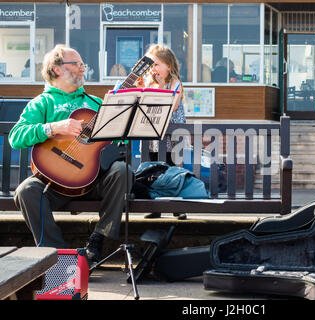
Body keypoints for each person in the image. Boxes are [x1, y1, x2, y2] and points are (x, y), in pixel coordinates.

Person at [9, 44, 131, 265]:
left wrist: (121, 119)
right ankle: (59, 256)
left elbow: (120, 140)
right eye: (77, 64)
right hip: (55, 184)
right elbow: (16, 136)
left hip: (94, 180)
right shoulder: (42, 103)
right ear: (57, 69)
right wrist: (54, 128)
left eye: (83, 64)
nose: (83, 69)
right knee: (25, 190)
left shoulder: (95, 103)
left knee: (122, 171)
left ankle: (98, 240)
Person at [136, 44, 186, 166]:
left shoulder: (175, 83)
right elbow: (144, 108)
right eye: (151, 65)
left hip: (171, 138)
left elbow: (172, 106)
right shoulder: (150, 84)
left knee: (169, 168)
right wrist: (142, 89)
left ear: (168, 66)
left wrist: (162, 87)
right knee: (150, 169)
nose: (153, 68)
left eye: (156, 65)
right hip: (152, 138)